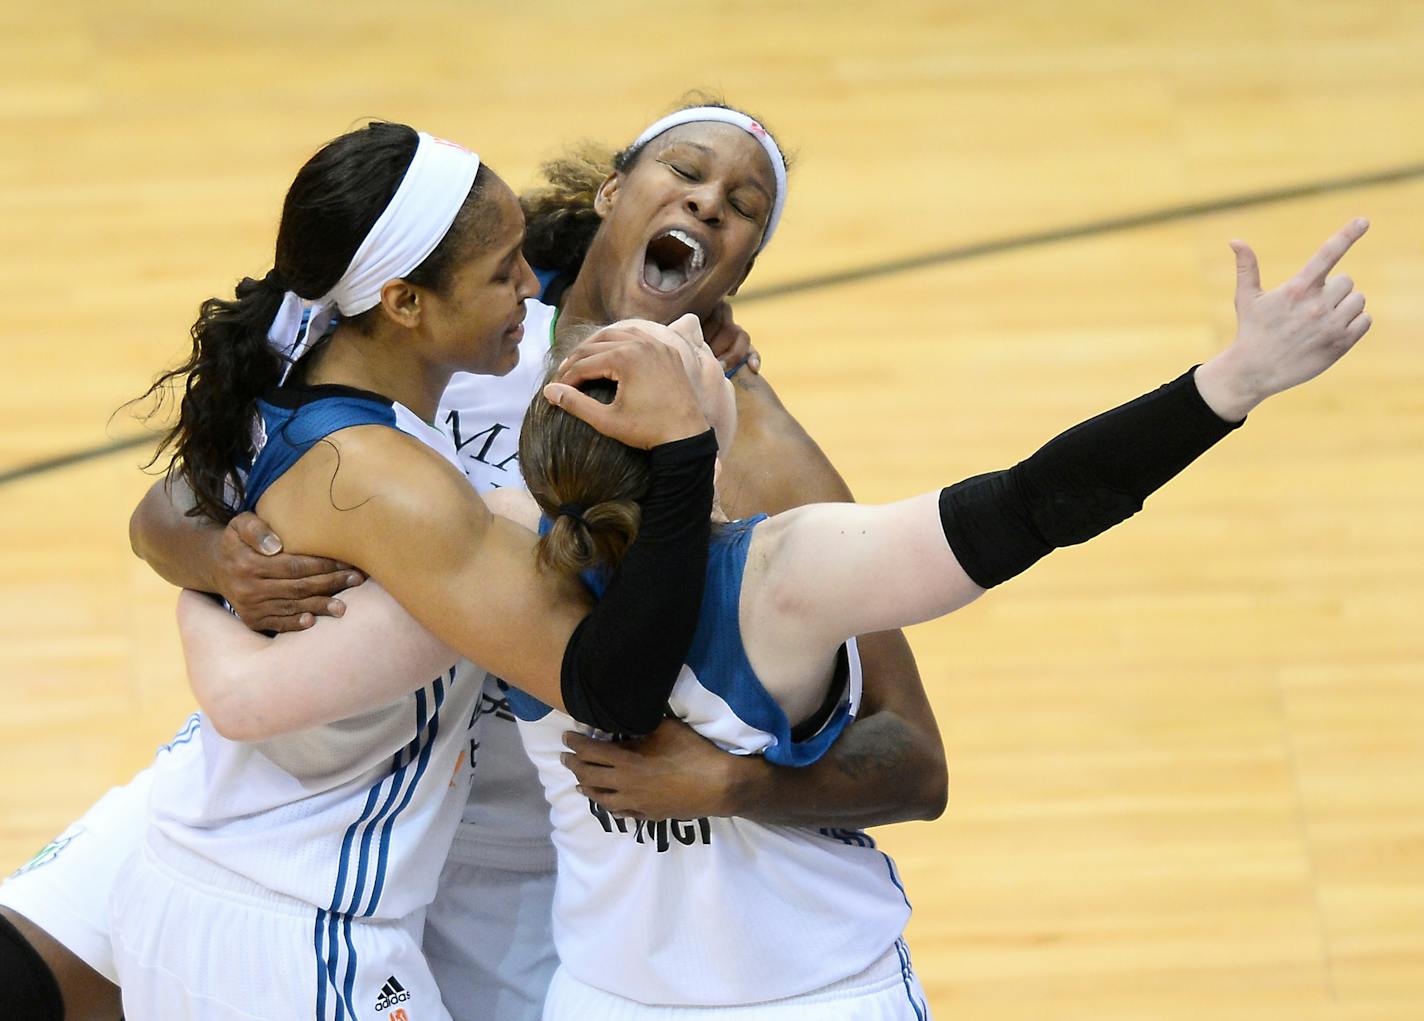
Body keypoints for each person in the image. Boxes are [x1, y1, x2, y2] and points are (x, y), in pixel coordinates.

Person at [174, 216, 1372, 1017]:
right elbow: (1035, 504)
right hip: (815, 988)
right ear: (705, 435)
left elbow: (236, 683)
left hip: (605, 991)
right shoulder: (788, 574)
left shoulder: (483, 564)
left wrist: (209, 574)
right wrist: (1231, 383)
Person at [1, 101, 951, 1021]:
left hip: (524, 872)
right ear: (612, 192)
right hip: (302, 796)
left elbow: (915, 759)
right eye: (686, 171)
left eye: (745, 207)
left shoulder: (754, 445)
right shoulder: (473, 340)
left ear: (744, 264)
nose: (709, 203)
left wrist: (748, 785)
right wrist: (219, 555)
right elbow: (173, 497)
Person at [104, 120, 722, 1021]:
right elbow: (610, 686)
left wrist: (205, 576)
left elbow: (165, 518)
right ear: (401, 302)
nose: (529, 288)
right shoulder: (389, 484)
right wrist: (685, 455)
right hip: (299, 925)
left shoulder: (283, 387)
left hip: (205, 885)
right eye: (503, 270)